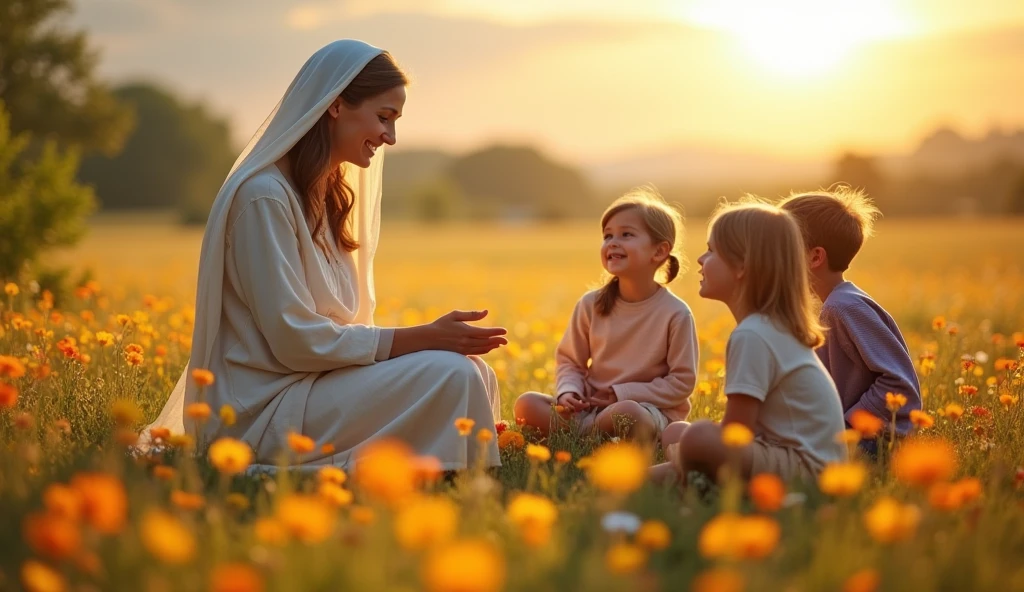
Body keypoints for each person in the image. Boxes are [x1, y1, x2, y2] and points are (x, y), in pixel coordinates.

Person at [144, 40, 507, 470]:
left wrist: (426, 345)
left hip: (318, 387)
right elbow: (294, 340)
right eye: (384, 118)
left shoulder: (326, 197)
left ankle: (444, 473)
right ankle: (441, 472)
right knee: (454, 374)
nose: (390, 137)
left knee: (474, 374)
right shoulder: (263, 199)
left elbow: (340, 329)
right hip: (267, 408)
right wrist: (422, 336)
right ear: (336, 106)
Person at [654, 201, 846, 485]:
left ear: (742, 265)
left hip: (804, 473)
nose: (700, 259)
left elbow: (737, 434)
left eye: (711, 251)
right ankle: (683, 472)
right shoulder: (769, 327)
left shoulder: (752, 335)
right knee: (676, 432)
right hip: (808, 464)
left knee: (696, 437)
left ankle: (687, 478)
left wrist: (692, 452)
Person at [514, 189, 698, 441]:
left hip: (647, 411)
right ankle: (593, 435)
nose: (612, 242)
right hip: (590, 410)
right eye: (607, 235)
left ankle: (583, 436)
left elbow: (681, 383)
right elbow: (570, 362)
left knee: (627, 412)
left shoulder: (675, 313)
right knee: (527, 404)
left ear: (659, 251)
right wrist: (569, 392)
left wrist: (621, 394)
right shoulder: (590, 304)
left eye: (626, 234)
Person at [779, 189, 922, 454]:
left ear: (815, 257)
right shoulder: (836, 304)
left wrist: (844, 428)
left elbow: (898, 383)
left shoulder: (844, 307)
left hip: (872, 443)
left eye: (781, 247)